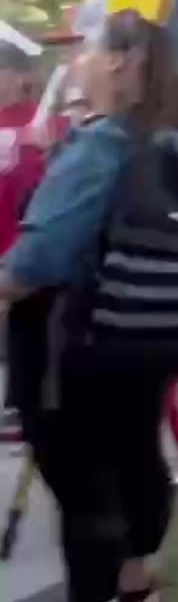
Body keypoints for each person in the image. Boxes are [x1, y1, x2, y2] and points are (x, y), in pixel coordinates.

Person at [1, 10, 178, 602]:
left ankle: (103, 592)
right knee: (135, 460)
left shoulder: (98, 148)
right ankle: (135, 583)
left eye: (86, 49)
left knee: (86, 492)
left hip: (69, 355)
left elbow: (32, 267)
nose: (74, 62)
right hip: (141, 339)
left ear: (116, 61)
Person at [0, 42, 45, 442]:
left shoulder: (41, 125)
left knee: (24, 328)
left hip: (25, 245)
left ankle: (19, 406)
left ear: (20, 77)